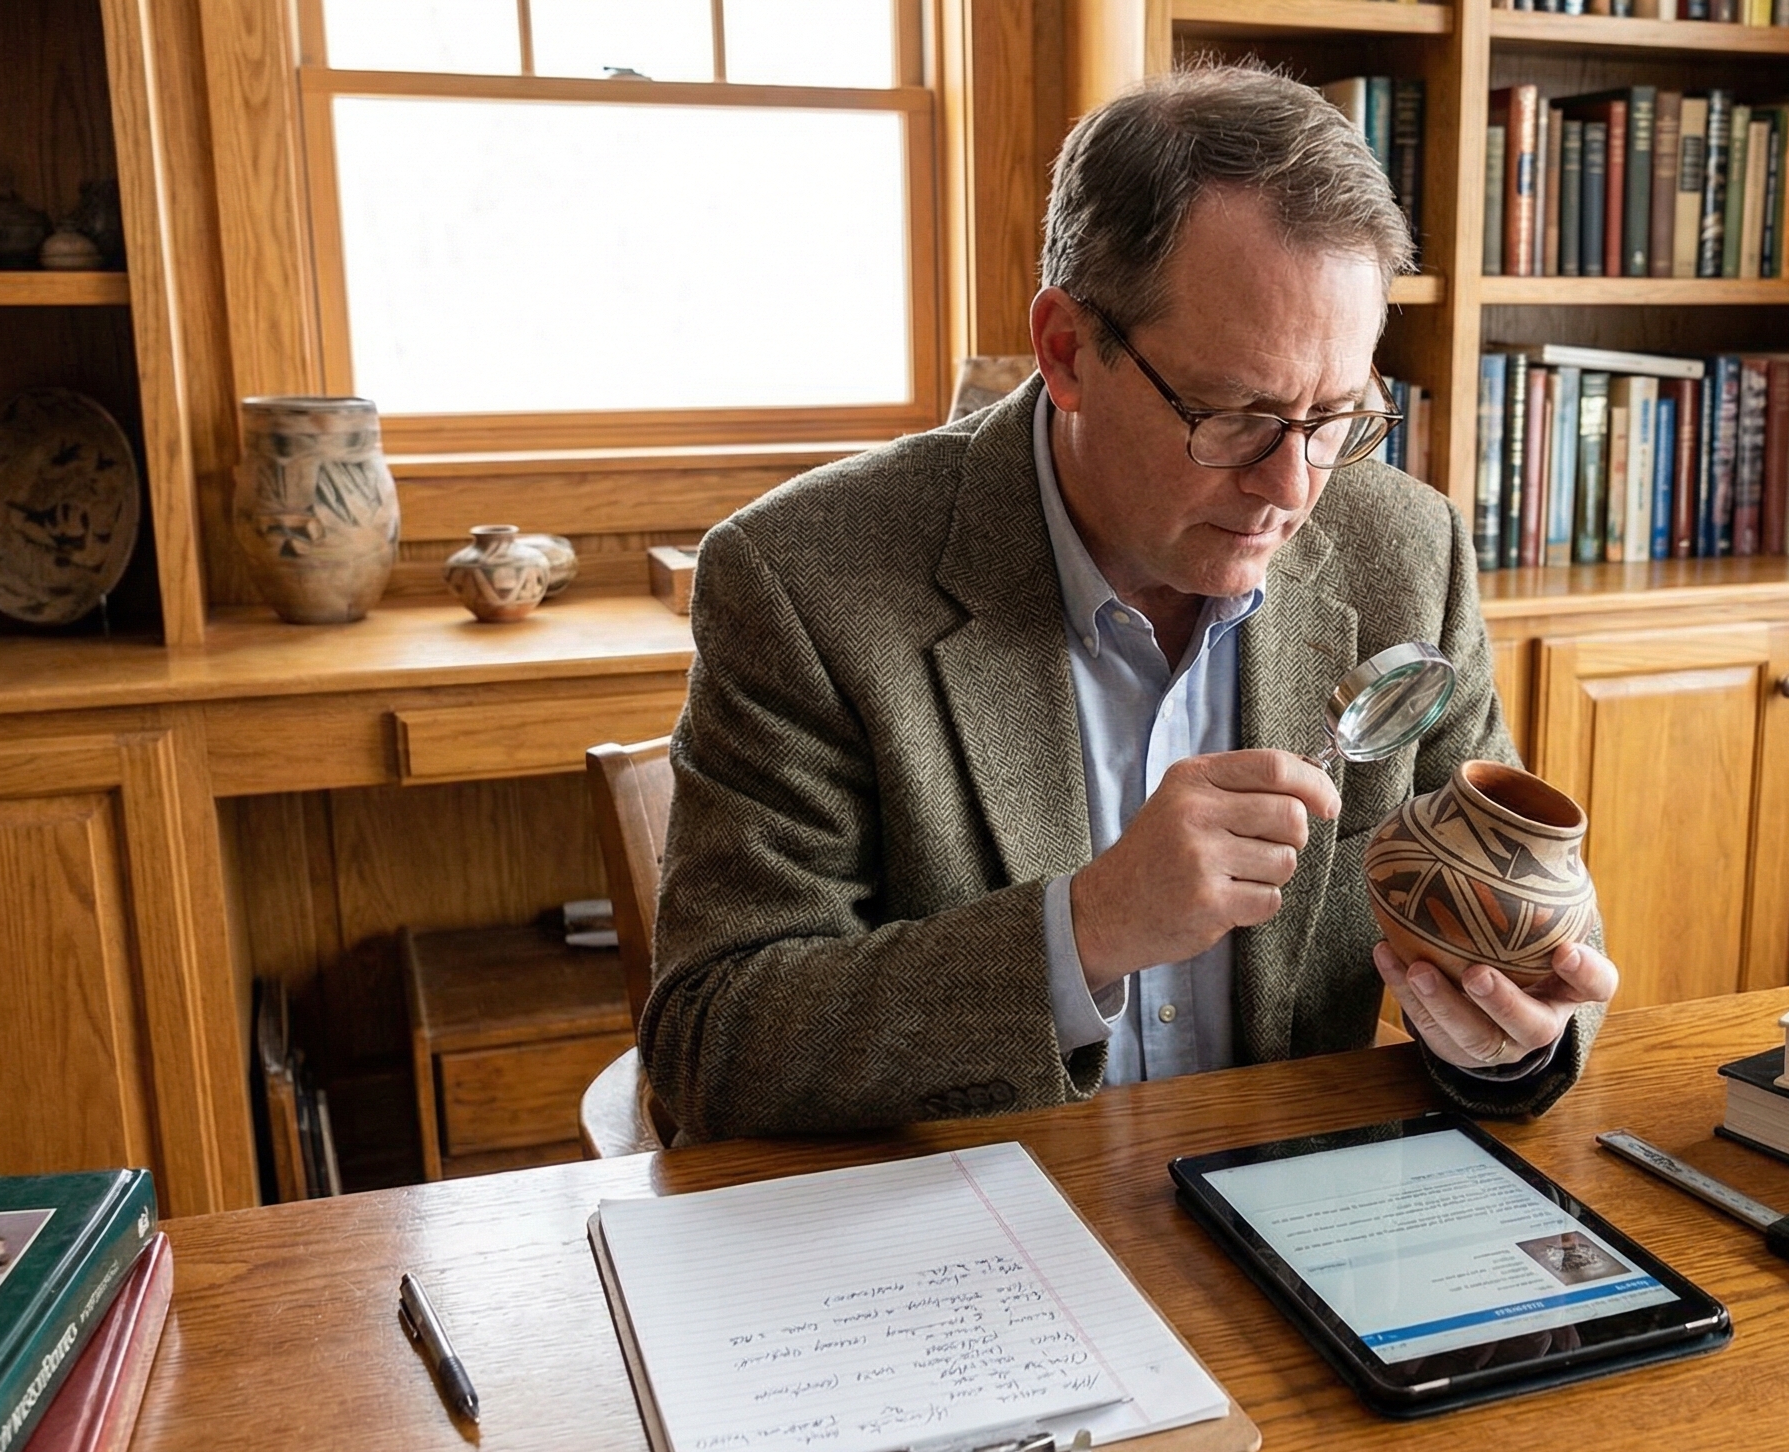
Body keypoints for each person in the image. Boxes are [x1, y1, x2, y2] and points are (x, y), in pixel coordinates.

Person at [642, 65, 1617, 1139]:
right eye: (1234, 414)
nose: (1292, 489)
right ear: (1067, 351)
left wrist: (1508, 1037)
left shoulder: (1405, 550)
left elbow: (1524, 917)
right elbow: (711, 1041)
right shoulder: (804, 579)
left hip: (1283, 1200)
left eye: (1336, 415)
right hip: (973, 1208)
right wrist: (1085, 929)